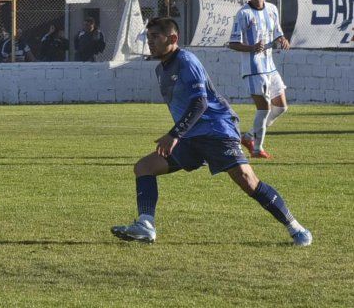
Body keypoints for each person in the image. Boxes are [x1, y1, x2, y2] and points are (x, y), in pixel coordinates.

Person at [111, 17, 312, 246]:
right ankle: (146, 226)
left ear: (173, 38)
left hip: (217, 130)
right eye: (148, 37)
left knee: (247, 180)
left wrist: (174, 134)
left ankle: (296, 229)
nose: (150, 42)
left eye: (155, 37)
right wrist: (177, 133)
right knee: (144, 167)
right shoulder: (161, 70)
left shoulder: (186, 61)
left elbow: (200, 103)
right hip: (190, 136)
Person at [228, 0, 291, 159]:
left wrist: (283, 39)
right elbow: (233, 43)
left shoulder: (272, 9)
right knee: (263, 109)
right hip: (254, 69)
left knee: (281, 107)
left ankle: (247, 137)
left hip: (270, 67)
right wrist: (252, 48)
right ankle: (257, 149)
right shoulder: (243, 14)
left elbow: (278, 32)